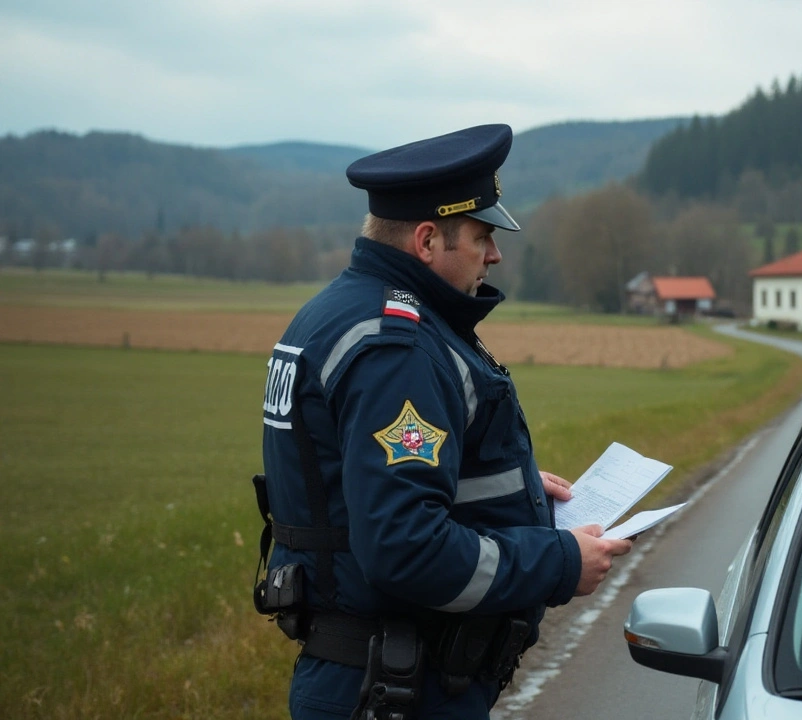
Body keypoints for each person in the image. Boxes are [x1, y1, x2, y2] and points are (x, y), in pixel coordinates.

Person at [253, 124, 633, 720]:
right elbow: (404, 548)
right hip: (399, 689)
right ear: (428, 241)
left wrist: (517, 488)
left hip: (370, 677)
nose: (495, 253)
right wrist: (558, 562)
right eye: (482, 235)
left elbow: (363, 486)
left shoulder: (337, 310)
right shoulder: (397, 348)